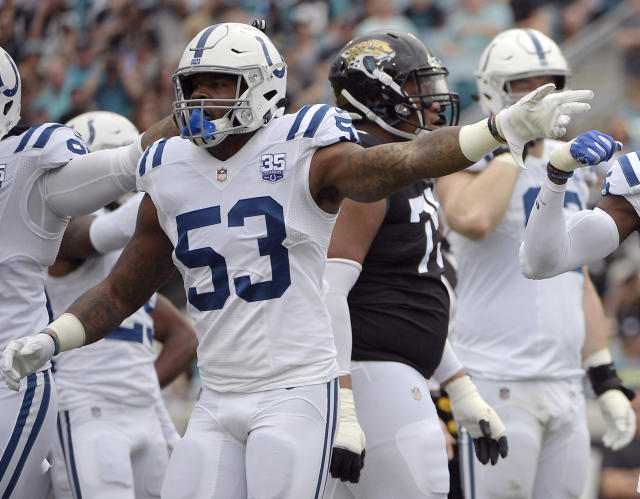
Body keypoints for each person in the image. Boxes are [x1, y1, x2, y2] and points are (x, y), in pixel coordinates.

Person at [0, 22, 595, 499]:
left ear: (261, 88)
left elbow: (397, 163)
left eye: (219, 84)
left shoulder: (304, 148)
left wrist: (500, 129)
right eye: (194, 84)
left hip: (297, 393)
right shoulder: (170, 168)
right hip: (216, 397)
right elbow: (122, 291)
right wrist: (53, 339)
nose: (200, 99)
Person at [435, 28, 635, 499]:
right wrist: (515, 144)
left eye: (550, 82)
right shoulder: (469, 153)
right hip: (495, 376)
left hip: (564, 380)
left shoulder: (576, 164)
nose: (540, 95)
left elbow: (575, 272)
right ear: (493, 89)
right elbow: (473, 218)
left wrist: (602, 373)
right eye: (526, 85)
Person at [321, 30, 507, 499]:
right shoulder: (365, 169)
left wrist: (458, 385)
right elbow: (328, 290)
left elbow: (412, 295)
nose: (430, 103)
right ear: (376, 96)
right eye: (416, 89)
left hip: (390, 372)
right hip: (370, 376)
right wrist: (343, 402)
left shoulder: (405, 169)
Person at [0, 45, 175, 498]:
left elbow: (117, 186)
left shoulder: (41, 194)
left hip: (41, 388)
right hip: (88, 407)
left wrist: (175, 162)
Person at [46, 111, 198, 499]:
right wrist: (171, 184)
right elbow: (96, 235)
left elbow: (183, 336)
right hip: (85, 406)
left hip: (143, 409)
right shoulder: (64, 233)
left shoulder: (130, 253)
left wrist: (140, 386)